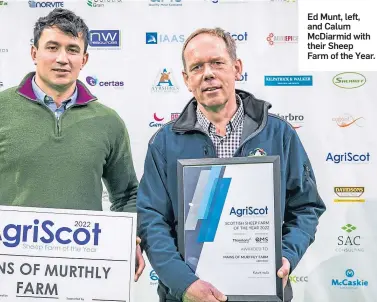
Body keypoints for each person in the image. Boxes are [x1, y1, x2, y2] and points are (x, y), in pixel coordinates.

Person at [137, 27, 326, 302]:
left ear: (237, 68)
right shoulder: (164, 143)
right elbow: (152, 221)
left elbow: (306, 207)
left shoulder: (279, 134)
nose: (208, 74)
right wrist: (184, 284)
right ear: (187, 80)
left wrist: (286, 254)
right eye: (197, 67)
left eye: (217, 63)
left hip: (263, 293)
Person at [0, 8, 144, 281]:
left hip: (80, 273)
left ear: (84, 58)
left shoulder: (108, 121)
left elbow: (127, 195)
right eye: (52, 47)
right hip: (10, 271)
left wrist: (130, 238)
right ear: (34, 53)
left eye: (72, 49)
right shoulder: (2, 109)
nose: (62, 59)